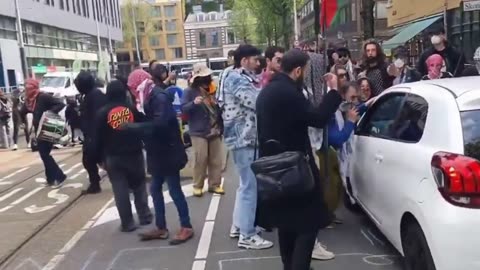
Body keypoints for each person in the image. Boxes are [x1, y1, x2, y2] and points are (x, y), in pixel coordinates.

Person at [256, 49, 342, 270]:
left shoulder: (268, 91)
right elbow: (318, 118)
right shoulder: (288, 93)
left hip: (274, 169)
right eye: (305, 70)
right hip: (295, 170)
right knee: (308, 225)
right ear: (297, 70)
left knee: (287, 225)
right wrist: (333, 91)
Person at [125, 64, 193, 245]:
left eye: (133, 87)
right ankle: (161, 227)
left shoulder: (158, 96)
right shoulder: (146, 96)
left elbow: (159, 124)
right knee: (155, 189)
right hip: (158, 151)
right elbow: (150, 121)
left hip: (168, 151)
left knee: (174, 189)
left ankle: (186, 226)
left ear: (139, 83)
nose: (132, 91)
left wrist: (134, 127)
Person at [221, 44, 273, 249]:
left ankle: (240, 226)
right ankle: (247, 235)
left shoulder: (244, 77)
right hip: (244, 139)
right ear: (244, 61)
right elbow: (255, 101)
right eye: (254, 59)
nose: (258, 62)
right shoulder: (236, 78)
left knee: (246, 186)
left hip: (247, 138)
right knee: (249, 187)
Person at [91, 80, 152, 232]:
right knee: (139, 186)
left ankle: (127, 223)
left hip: (112, 157)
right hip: (134, 154)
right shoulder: (130, 109)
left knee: (120, 190)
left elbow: (96, 138)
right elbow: (143, 125)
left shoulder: (102, 113)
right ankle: (145, 216)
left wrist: (98, 158)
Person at [181, 63, 224, 197]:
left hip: (214, 128)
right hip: (198, 130)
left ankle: (214, 184)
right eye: (203, 76)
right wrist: (194, 103)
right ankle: (197, 185)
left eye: (207, 76)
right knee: (201, 158)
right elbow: (183, 108)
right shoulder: (189, 91)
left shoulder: (213, 89)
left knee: (216, 159)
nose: (207, 79)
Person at [26, 79, 67, 188]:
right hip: (39, 130)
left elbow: (60, 104)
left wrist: (49, 112)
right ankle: (50, 178)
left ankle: (59, 176)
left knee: (45, 154)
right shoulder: (32, 100)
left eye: (29, 87)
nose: (27, 90)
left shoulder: (43, 96)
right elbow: (25, 110)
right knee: (44, 154)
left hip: (47, 127)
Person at [74, 71, 108, 194]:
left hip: (96, 135)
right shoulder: (90, 95)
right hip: (93, 134)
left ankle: (95, 184)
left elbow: (95, 117)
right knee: (92, 160)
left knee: (93, 159)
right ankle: (95, 183)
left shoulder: (94, 96)